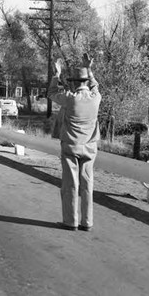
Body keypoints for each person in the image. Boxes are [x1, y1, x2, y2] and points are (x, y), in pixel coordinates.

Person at [48, 53, 102, 232]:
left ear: (73, 83)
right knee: (88, 184)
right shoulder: (96, 98)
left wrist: (56, 74)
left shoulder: (70, 99)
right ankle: (87, 222)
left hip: (71, 146)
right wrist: (89, 69)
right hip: (89, 147)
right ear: (86, 82)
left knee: (71, 184)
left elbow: (51, 93)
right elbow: (95, 86)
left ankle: (71, 221)